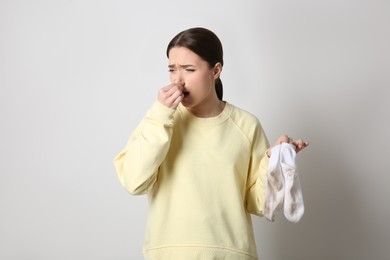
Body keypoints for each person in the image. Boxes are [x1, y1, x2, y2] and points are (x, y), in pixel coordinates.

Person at [113, 27, 309, 260]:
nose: (178, 80)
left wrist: (274, 158)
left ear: (215, 71)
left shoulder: (245, 125)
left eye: (189, 69)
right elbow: (134, 182)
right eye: (172, 69)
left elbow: (258, 203)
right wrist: (159, 115)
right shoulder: (160, 120)